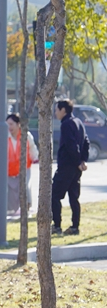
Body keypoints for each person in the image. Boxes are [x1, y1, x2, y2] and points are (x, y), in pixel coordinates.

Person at [53, 99, 90, 235]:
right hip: (76, 168)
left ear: (63, 110)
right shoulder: (78, 122)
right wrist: (82, 161)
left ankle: (56, 225)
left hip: (67, 166)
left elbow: (71, 145)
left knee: (54, 195)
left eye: (57, 110)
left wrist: (77, 161)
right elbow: (86, 142)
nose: (55, 113)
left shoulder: (66, 124)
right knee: (74, 197)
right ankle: (75, 227)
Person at [5, 113, 38, 216]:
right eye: (7, 124)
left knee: (25, 188)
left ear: (18, 124)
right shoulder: (5, 136)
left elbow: (32, 148)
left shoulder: (26, 136)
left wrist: (35, 158)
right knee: (11, 193)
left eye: (11, 124)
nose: (9, 127)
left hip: (24, 168)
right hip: (9, 170)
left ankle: (26, 210)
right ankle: (12, 211)